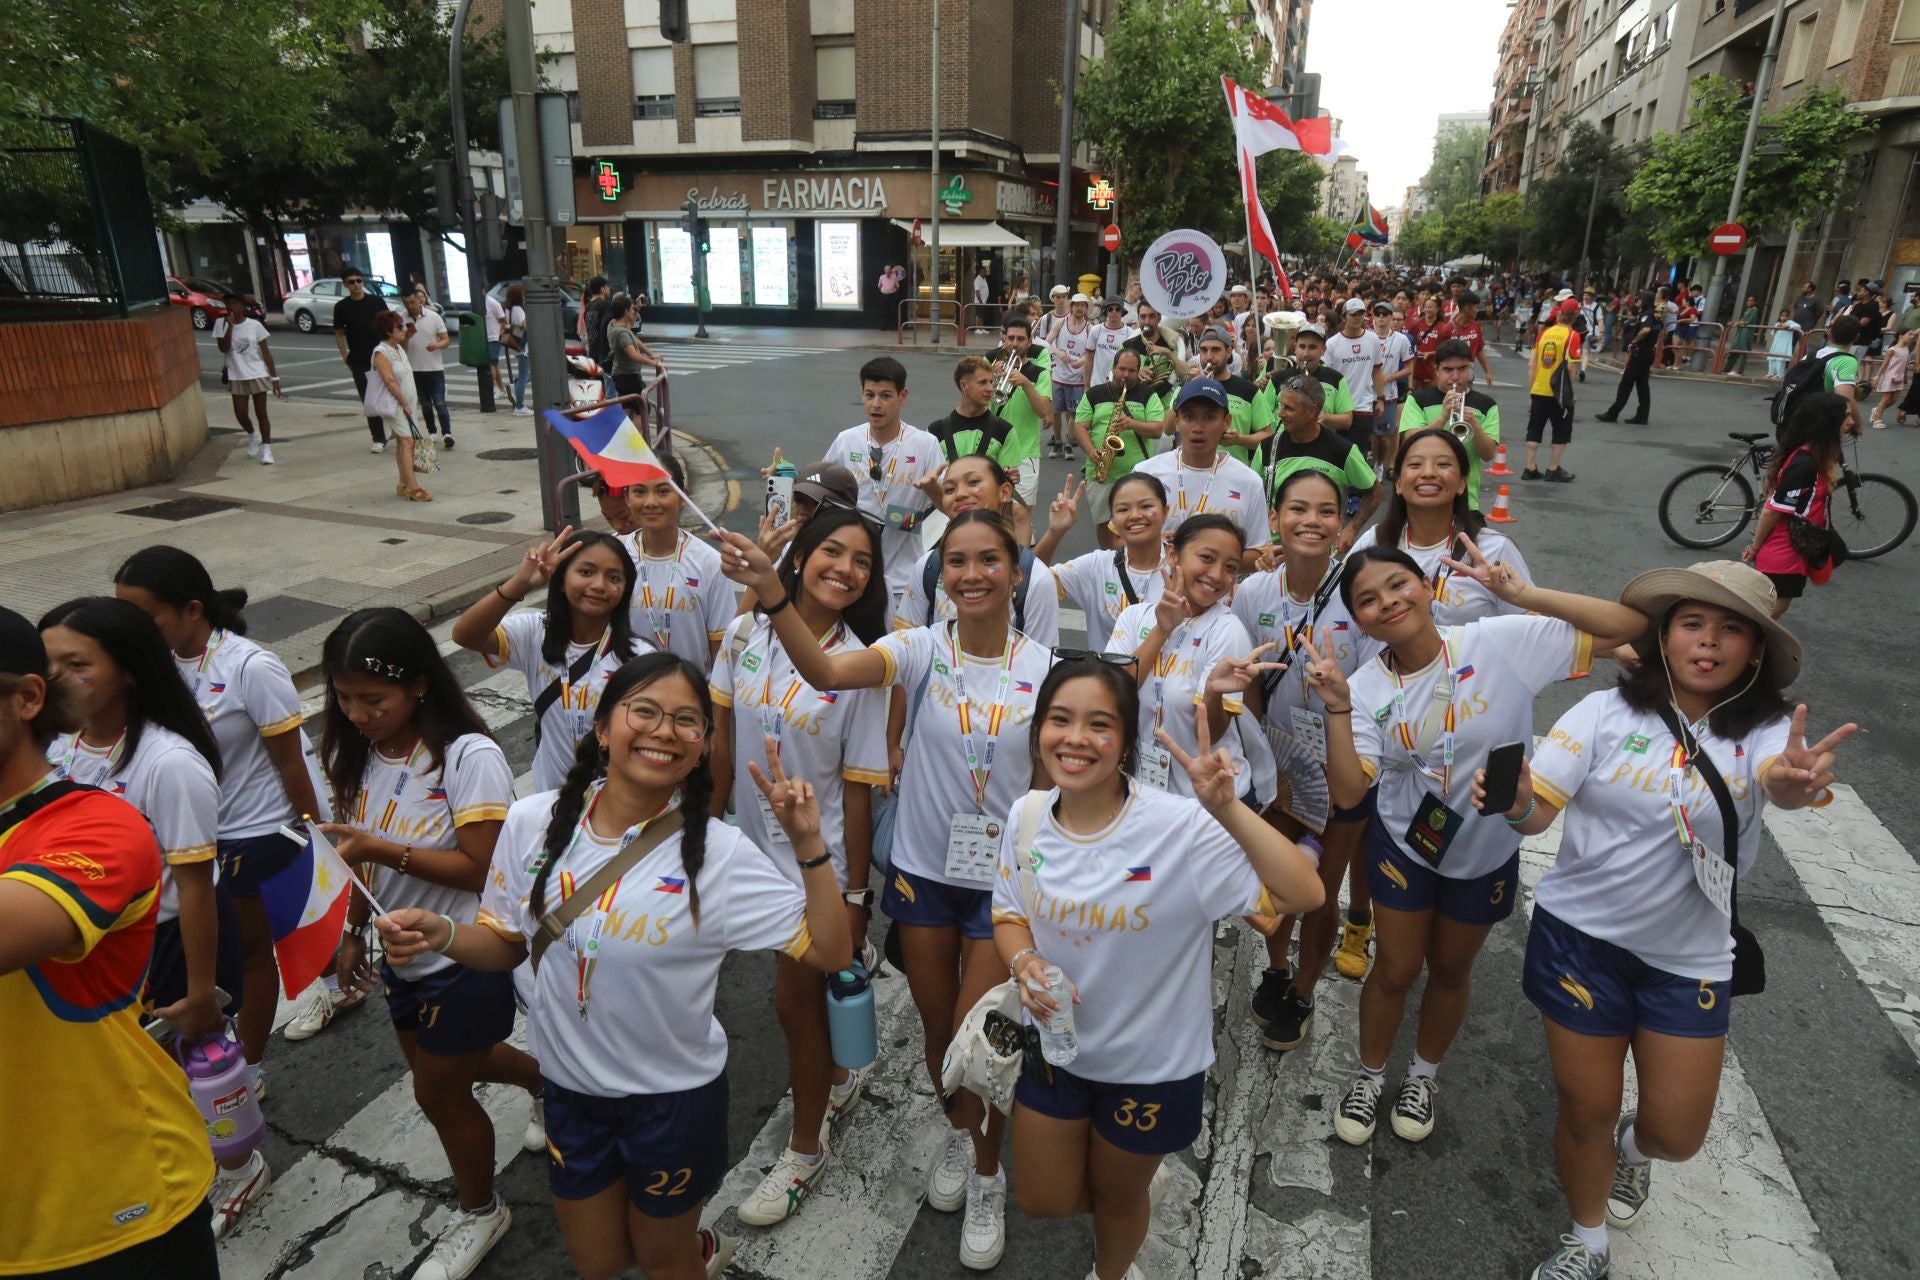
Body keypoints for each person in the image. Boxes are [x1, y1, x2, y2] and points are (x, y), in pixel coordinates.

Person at [379, 652, 852, 1280]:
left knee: (662, 1261)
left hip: (672, 1101)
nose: (664, 731)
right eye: (645, 712)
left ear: (703, 745)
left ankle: (691, 1253)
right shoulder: (531, 823)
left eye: (687, 721)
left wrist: (808, 845)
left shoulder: (720, 854)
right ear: (604, 727)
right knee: (598, 1264)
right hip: (572, 1093)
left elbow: (830, 951)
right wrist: (442, 934)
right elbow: (504, 943)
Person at [715, 509, 1051, 1270]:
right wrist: (771, 595)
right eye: (955, 561)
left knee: (982, 1038)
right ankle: (962, 1135)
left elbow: (1048, 782)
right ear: (941, 576)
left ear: (1015, 572)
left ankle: (988, 1175)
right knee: (939, 1033)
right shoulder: (917, 648)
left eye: (988, 560)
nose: (971, 574)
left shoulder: (1044, 667)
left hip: (999, 886)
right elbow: (827, 672)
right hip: (926, 876)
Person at [1507, 563, 1853, 1280]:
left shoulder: (1762, 733)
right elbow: (1538, 809)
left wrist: (1791, 784)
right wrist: (1511, 801)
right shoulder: (1603, 713)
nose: (1709, 642)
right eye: (1693, 623)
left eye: (1732, 630)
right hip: (1579, 942)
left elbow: (1778, 782)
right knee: (1584, 1110)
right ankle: (1586, 1240)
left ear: (1755, 652)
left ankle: (1635, 1155)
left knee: (1675, 1133)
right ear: (1664, 636)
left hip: (1689, 957)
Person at [993, 656, 1324, 1280]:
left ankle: (1113, 1271)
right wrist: (1023, 959)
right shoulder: (1028, 816)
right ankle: (1139, 1184)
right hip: (1058, 1050)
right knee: (1043, 1199)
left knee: (1116, 1202)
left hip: (1150, 1068)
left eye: (1099, 725)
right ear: (1038, 730)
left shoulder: (1180, 829)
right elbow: (1008, 913)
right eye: (1060, 720)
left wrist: (1227, 809)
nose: (1076, 739)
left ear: (1125, 741)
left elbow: (1303, 895)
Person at [1310, 544, 1645, 1150]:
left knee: (1451, 969)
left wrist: (1526, 596)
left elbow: (1630, 626)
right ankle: (1369, 1075)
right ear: (1358, 621)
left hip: (1488, 848)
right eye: (1368, 600)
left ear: (1427, 586)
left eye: (1398, 584)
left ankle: (1422, 1077)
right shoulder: (1362, 686)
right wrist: (1335, 708)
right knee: (1394, 968)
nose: (1388, 602)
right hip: (1407, 843)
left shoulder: (1497, 642)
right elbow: (1349, 790)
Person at [313, 608, 539, 1280]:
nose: (358, 713)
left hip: (464, 953)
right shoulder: (358, 752)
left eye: (373, 699)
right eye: (344, 697)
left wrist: (384, 848)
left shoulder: (468, 757)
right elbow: (360, 858)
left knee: (437, 1091)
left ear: (418, 685)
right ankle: (551, 1083)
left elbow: (479, 866)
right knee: (445, 1070)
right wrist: (353, 930)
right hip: (400, 955)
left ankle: (480, 1211)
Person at [0, 606, 221, 1278]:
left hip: (112, 1208)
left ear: (27, 699)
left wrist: (204, 991)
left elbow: (199, 883)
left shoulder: (96, 824)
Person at [37, 596, 267, 1238]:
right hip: (105, 941)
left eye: (76, 663)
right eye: (47, 662)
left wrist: (200, 994)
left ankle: (239, 1165)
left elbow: (195, 889)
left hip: (172, 939)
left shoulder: (168, 763)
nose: (54, 678)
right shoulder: (62, 745)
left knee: (194, 1063)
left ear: (130, 670)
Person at [710, 508, 891, 1225]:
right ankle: (842, 1075)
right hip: (744, 852)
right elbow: (723, 737)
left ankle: (805, 1151)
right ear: (802, 556)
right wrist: (704, 831)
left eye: (862, 562)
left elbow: (856, 790)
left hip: (813, 866)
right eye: (831, 553)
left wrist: (852, 895)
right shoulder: (748, 634)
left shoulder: (859, 665)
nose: (845, 570)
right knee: (793, 1004)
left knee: (793, 1004)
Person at [113, 547, 325, 1091]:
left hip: (254, 836)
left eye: (145, 616)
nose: (131, 628)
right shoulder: (148, 668)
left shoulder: (249, 667)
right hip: (190, 838)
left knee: (252, 956)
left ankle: (245, 1072)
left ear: (191, 609)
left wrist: (319, 837)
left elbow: (290, 761)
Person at [1233, 470, 1382, 1047]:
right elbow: (1245, 680)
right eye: (1298, 509)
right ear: (1275, 519)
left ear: (1342, 525)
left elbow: (1374, 691)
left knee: (1321, 886)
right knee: (1279, 878)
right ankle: (1276, 966)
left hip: (1339, 771)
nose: (1311, 522)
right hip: (1276, 767)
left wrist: (1339, 698)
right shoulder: (1253, 592)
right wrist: (1253, 756)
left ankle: (1303, 989)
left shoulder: (1356, 593)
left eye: (1326, 511)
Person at [452, 528, 648, 791]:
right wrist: (520, 583)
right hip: (551, 804)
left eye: (614, 577)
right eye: (586, 572)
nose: (599, 585)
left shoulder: (641, 658)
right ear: (561, 580)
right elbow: (465, 634)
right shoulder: (535, 633)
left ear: (624, 590)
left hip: (616, 804)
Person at [1104, 514, 1267, 801]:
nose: (1217, 575)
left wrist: (1213, 694)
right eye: (1206, 558)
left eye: (1230, 567)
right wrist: (1161, 630)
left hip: (1208, 800)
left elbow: (1213, 734)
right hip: (1141, 793)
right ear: (1172, 554)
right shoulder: (1133, 618)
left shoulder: (1227, 630)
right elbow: (1109, 696)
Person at [1353, 428, 1534, 623]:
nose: (1429, 473)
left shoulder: (1494, 549)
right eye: (1415, 465)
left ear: (1461, 484)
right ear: (1398, 483)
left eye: (1443, 464)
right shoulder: (1374, 542)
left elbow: (1533, 625)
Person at [896, 456, 1061, 645]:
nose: (960, 494)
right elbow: (904, 649)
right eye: (949, 489)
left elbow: (1043, 665)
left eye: (973, 482)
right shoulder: (928, 567)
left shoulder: (1037, 578)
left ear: (1005, 491)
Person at [825, 357, 946, 596]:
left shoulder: (925, 444)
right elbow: (821, 492)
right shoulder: (846, 441)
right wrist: (785, 479)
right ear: (862, 394)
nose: (876, 404)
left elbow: (951, 509)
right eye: (869, 395)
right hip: (852, 578)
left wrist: (933, 490)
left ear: (903, 396)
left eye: (886, 396)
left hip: (905, 582)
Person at [619, 452, 736, 666]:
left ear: (684, 497)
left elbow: (721, 650)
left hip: (691, 695)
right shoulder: (614, 558)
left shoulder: (709, 563)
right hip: (628, 695)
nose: (651, 502)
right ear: (627, 497)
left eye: (663, 491)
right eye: (639, 492)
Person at [1037, 470, 1170, 651]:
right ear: (1112, 521)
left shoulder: (1183, 568)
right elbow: (1029, 582)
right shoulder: (1096, 566)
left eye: (1146, 506)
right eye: (1123, 509)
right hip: (1107, 677)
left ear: (1165, 512)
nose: (1135, 515)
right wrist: (1054, 532)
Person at [1134, 379, 1272, 550]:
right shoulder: (1145, 473)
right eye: (1189, 417)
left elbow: (1260, 553)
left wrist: (1209, 555)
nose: (1198, 427)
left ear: (1226, 422)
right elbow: (1117, 540)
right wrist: (1153, 545)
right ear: (1177, 421)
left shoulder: (1249, 482)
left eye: (1209, 417)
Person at [1742, 391, 1848, 612]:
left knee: (1767, 618)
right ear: (1828, 422)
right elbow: (1772, 511)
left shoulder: (1812, 455)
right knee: (1767, 619)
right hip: (1783, 555)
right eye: (1845, 416)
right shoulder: (1805, 464)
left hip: (1792, 552)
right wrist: (1755, 547)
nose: (1851, 421)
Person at [1068, 348, 1168, 546]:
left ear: (1138, 372)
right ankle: (1108, 558)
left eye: (1131, 371)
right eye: (1121, 369)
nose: (1126, 375)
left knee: (1136, 522)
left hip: (1137, 474)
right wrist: (1090, 451)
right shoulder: (1095, 394)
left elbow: (1157, 429)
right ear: (1113, 368)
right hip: (1100, 470)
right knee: (1103, 521)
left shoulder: (1148, 394)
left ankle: (1134, 559)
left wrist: (1132, 424)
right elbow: (1080, 427)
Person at [1264, 374, 1379, 543]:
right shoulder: (1268, 447)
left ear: (1311, 411)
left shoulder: (1341, 450)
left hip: (1320, 553)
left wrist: (1353, 528)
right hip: (1273, 553)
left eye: (1289, 408)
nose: (1280, 413)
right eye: (1281, 406)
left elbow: (1375, 492)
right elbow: (1252, 496)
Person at [1398, 339, 1501, 510]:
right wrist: (1443, 417)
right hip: (1422, 495)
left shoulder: (1487, 405)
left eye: (1461, 369)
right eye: (1448, 370)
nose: (1455, 376)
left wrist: (1474, 424)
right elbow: (1411, 443)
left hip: (1466, 500)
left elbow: (1488, 454)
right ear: (1436, 370)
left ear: (1469, 368)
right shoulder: (1418, 400)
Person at [365, 311, 432, 502]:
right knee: (407, 441)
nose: (404, 329)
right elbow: (388, 380)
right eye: (399, 326)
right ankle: (413, 487)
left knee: (404, 442)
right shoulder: (381, 352)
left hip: (406, 403)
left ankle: (403, 483)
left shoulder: (398, 349)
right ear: (387, 331)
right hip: (395, 404)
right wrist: (403, 402)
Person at [1189, 327, 1276, 468]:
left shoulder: (1248, 390)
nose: (1209, 357)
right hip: (1193, 469)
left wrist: (1239, 439)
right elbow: (1168, 428)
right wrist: (1188, 388)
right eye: (1204, 350)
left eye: (1216, 350)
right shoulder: (1191, 385)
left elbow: (1268, 437)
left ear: (1229, 352)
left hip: (1234, 473)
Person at [214, 292, 282, 464]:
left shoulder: (255, 325)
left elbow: (266, 352)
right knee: (241, 413)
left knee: (262, 413)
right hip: (236, 375)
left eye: (235, 304)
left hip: (257, 373)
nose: (232, 307)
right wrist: (229, 327)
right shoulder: (220, 324)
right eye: (228, 304)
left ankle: (267, 450)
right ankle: (253, 435)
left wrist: (275, 378)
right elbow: (223, 348)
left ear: (243, 306)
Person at [332, 269, 393, 451]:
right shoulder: (342, 307)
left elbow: (388, 325)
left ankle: (395, 428)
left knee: (390, 393)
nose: (356, 285)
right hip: (359, 358)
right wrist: (345, 355)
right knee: (369, 399)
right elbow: (339, 332)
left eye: (359, 281)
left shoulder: (376, 302)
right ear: (345, 285)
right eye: (351, 282)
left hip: (381, 355)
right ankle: (378, 437)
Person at [1523, 301, 1583, 483]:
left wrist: (1534, 385)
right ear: (1575, 315)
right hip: (1558, 393)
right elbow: (1571, 367)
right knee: (1561, 430)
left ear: (1558, 314)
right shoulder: (1572, 336)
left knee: (1535, 427)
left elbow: (1532, 363)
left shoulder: (1544, 334)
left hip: (1539, 389)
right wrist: (1571, 393)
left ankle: (1530, 466)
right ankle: (1553, 468)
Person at [927, 356, 1017, 469]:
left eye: (991, 381)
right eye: (982, 382)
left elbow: (1007, 483)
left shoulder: (1005, 431)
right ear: (964, 385)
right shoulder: (934, 432)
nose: (990, 388)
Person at [1325, 299, 1386, 459]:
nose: (1357, 318)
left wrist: (1380, 398)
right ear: (1344, 317)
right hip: (1339, 409)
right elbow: (1326, 376)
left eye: (1361, 314)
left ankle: (1358, 484)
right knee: (1338, 455)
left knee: (1358, 456)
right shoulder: (1332, 344)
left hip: (1363, 406)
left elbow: (1377, 370)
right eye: (1353, 314)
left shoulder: (1372, 339)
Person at [403, 290, 455, 452]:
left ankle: (446, 433)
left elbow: (446, 340)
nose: (409, 306)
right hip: (414, 368)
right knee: (425, 403)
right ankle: (431, 431)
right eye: (406, 303)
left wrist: (436, 345)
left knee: (439, 402)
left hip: (434, 367)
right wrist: (407, 336)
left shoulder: (434, 317)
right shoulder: (401, 318)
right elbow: (399, 344)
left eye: (412, 302)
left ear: (419, 301)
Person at [1596, 292, 1658, 425]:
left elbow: (1645, 330)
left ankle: (1613, 413)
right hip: (1648, 352)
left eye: (1639, 299)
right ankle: (1642, 415)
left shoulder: (1648, 314)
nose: (1637, 300)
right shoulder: (1655, 314)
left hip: (1640, 353)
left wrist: (1633, 342)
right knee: (1642, 385)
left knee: (1626, 383)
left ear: (1645, 300)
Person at [1047, 293, 1096, 458]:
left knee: (1074, 412)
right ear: (1072, 306)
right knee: (1055, 411)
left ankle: (1069, 444)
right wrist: (1058, 352)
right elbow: (1046, 342)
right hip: (1059, 375)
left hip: (1078, 378)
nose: (1080, 308)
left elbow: (1092, 352)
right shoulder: (1061, 323)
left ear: (1086, 309)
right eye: (1077, 305)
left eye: (1083, 305)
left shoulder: (1090, 328)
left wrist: (1082, 361)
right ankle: (1058, 442)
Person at [606, 292, 666, 405]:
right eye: (631, 308)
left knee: (629, 408)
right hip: (628, 376)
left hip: (622, 375)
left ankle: (628, 423)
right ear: (625, 311)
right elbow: (634, 356)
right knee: (641, 408)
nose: (633, 310)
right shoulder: (621, 333)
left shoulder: (614, 324)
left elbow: (631, 331)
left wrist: (651, 353)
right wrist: (654, 363)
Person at [1812, 315, 1866, 434]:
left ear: (1830, 332)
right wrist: (1858, 425)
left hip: (1799, 416)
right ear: (1857, 337)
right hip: (1824, 421)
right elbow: (1845, 397)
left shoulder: (1812, 354)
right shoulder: (1846, 361)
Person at [1434, 290, 1495, 389]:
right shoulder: (1447, 329)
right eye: (1476, 307)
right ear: (1467, 308)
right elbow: (1438, 355)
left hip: (1467, 374)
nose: (1477, 310)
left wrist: (1488, 372)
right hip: (1451, 377)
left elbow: (1479, 350)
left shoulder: (1476, 326)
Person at [1870, 327, 1913, 428]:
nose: (1911, 337)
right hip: (1889, 377)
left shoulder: (1906, 349)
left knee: (1893, 400)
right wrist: (1877, 377)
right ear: (1901, 335)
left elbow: (1904, 364)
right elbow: (1884, 365)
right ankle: (1877, 420)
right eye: (1909, 334)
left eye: (1912, 335)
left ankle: (1877, 410)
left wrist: (1909, 367)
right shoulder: (1892, 350)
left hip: (1899, 378)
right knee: (1886, 399)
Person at [1089, 299, 1137, 386]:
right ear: (1106, 312)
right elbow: (1089, 359)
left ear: (1122, 312)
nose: (1114, 312)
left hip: (1118, 385)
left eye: (1117, 309)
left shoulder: (1129, 333)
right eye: (1110, 309)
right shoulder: (1096, 330)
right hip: (1096, 384)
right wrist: (1086, 385)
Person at [503, 283, 532, 415]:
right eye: (522, 293)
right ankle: (519, 406)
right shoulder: (518, 309)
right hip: (523, 347)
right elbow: (526, 325)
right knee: (523, 376)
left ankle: (515, 385)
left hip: (516, 344)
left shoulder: (508, 308)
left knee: (528, 374)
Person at [484, 287, 512, 403]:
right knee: (493, 365)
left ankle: (489, 391)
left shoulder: (492, 303)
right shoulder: (476, 302)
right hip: (482, 338)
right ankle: (501, 389)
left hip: (493, 338)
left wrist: (499, 334)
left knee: (491, 364)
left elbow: (503, 321)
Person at [1725, 295, 1761, 376]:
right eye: (1748, 300)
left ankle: (1740, 371)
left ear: (1755, 302)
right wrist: (1734, 322)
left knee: (1743, 351)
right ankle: (1726, 369)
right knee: (1734, 350)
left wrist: (1737, 323)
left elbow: (1748, 321)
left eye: (1751, 300)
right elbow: (1742, 320)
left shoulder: (1755, 310)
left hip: (1746, 332)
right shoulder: (1748, 309)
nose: (1749, 302)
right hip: (1741, 331)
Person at [1766, 308, 1802, 380]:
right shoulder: (1777, 323)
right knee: (1772, 358)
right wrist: (1777, 327)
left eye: (1786, 316)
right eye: (1782, 316)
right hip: (1776, 345)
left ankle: (1779, 374)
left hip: (1784, 346)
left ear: (1788, 317)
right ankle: (1771, 373)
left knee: (1780, 359)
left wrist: (1788, 326)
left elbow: (1798, 326)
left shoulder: (1790, 322)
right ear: (1780, 316)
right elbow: (1772, 333)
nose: (1784, 317)